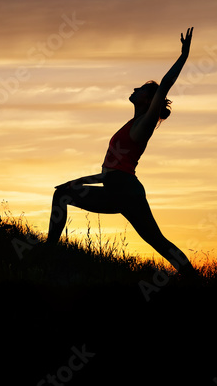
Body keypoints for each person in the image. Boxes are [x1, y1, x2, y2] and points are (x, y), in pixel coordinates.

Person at [46, 27, 195, 274]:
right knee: (62, 194)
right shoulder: (130, 124)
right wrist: (79, 181)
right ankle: (48, 252)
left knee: (156, 241)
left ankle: (196, 279)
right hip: (117, 187)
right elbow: (109, 171)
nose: (135, 89)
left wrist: (183, 56)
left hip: (126, 191)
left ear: (149, 100)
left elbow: (165, 85)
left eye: (141, 90)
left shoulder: (144, 124)